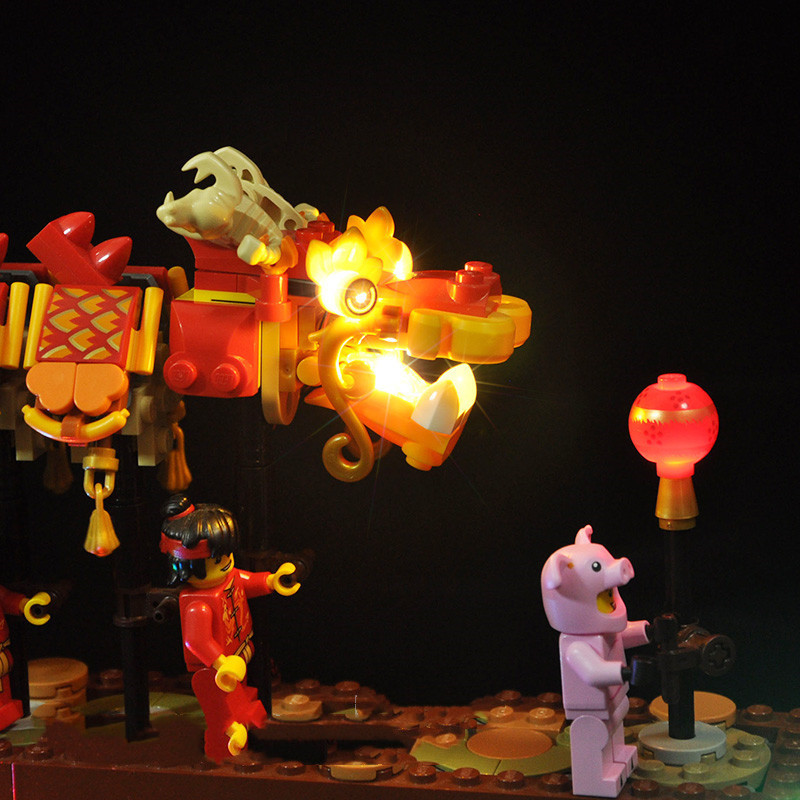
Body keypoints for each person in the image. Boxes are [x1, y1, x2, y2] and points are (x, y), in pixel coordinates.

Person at [159, 493, 300, 760]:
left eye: (226, 554)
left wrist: (271, 581)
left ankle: (243, 737)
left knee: (243, 703)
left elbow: (246, 581)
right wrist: (221, 662)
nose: (225, 561)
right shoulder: (198, 605)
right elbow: (196, 641)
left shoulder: (229, 578)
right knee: (222, 714)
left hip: (237, 659)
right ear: (188, 565)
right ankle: (224, 752)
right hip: (215, 671)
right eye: (217, 559)